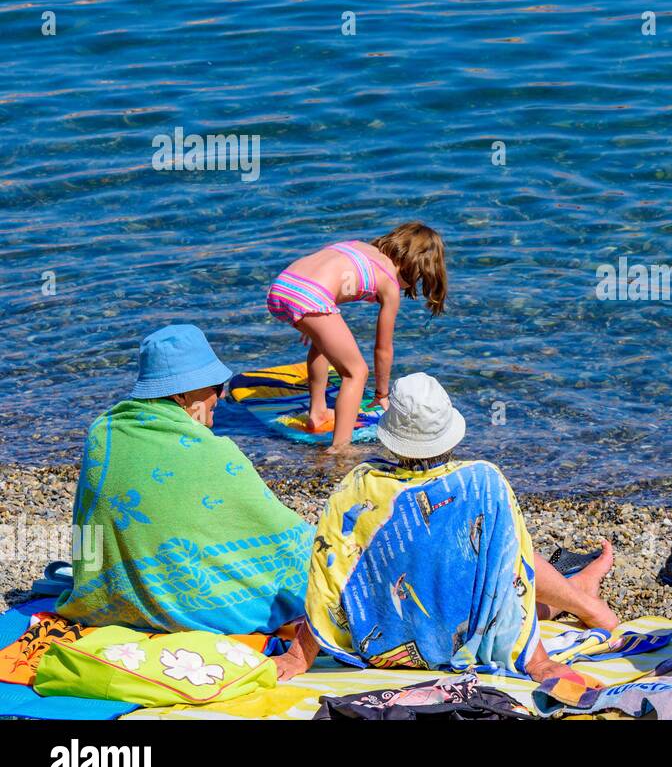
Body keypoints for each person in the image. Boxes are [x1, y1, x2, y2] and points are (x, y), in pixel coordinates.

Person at [285, 373, 619, 685]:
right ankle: (582, 598)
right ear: (449, 433)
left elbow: (331, 578)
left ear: (391, 439)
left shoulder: (358, 485)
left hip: (382, 652)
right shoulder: (482, 482)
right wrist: (538, 662)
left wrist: (298, 656)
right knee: (504, 553)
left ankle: (578, 594)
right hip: (463, 646)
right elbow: (509, 571)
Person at [57, 325, 313, 640]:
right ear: (182, 394)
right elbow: (278, 530)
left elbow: (90, 528)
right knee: (316, 567)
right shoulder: (214, 453)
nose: (221, 396)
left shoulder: (103, 434)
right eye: (216, 386)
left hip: (105, 601)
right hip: (196, 611)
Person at [266, 222, 448, 452]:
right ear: (418, 267)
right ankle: (340, 447)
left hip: (283, 286)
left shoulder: (359, 246)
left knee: (323, 346)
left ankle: (318, 412)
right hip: (312, 297)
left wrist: (308, 323)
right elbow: (383, 348)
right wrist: (382, 392)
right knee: (356, 372)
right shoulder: (390, 285)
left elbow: (323, 271)